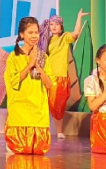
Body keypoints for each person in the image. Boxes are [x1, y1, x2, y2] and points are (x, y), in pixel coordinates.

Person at [4, 17, 54, 154]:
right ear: (22, 35)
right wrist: (29, 65)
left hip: (38, 111)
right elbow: (13, 81)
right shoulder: (13, 57)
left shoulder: (44, 57)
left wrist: (37, 65)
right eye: (30, 32)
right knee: (19, 154)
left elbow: (49, 84)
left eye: (36, 32)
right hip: (20, 111)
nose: (34, 36)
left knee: (38, 152)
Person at [45, 10, 87, 139]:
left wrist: (79, 17)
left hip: (61, 77)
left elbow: (75, 34)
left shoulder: (64, 37)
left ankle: (59, 131)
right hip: (47, 76)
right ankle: (43, 130)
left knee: (58, 105)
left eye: (57, 24)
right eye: (51, 24)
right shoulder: (46, 40)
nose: (54, 27)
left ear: (61, 26)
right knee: (45, 104)